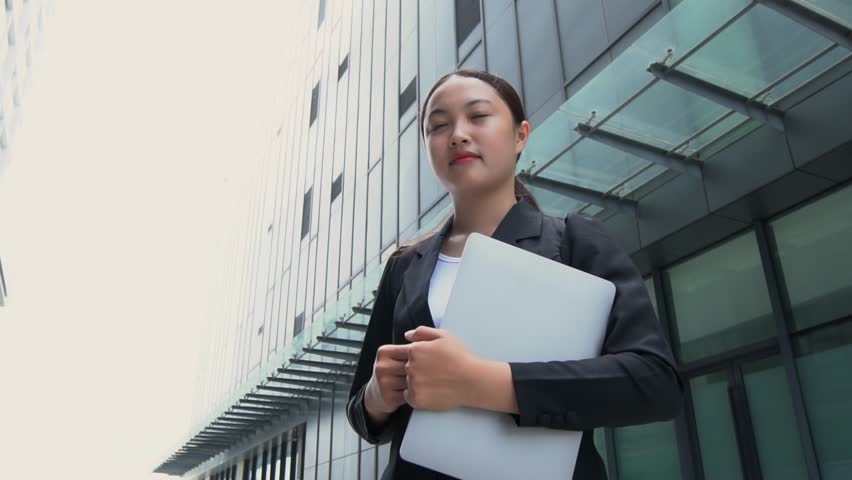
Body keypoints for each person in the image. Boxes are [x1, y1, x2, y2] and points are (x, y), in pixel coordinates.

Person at [346, 68, 684, 479]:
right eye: (438, 125)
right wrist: (377, 398)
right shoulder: (404, 266)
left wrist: (478, 381)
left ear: (520, 135)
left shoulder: (574, 242)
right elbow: (362, 415)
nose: (457, 134)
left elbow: (653, 383)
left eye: (478, 116)